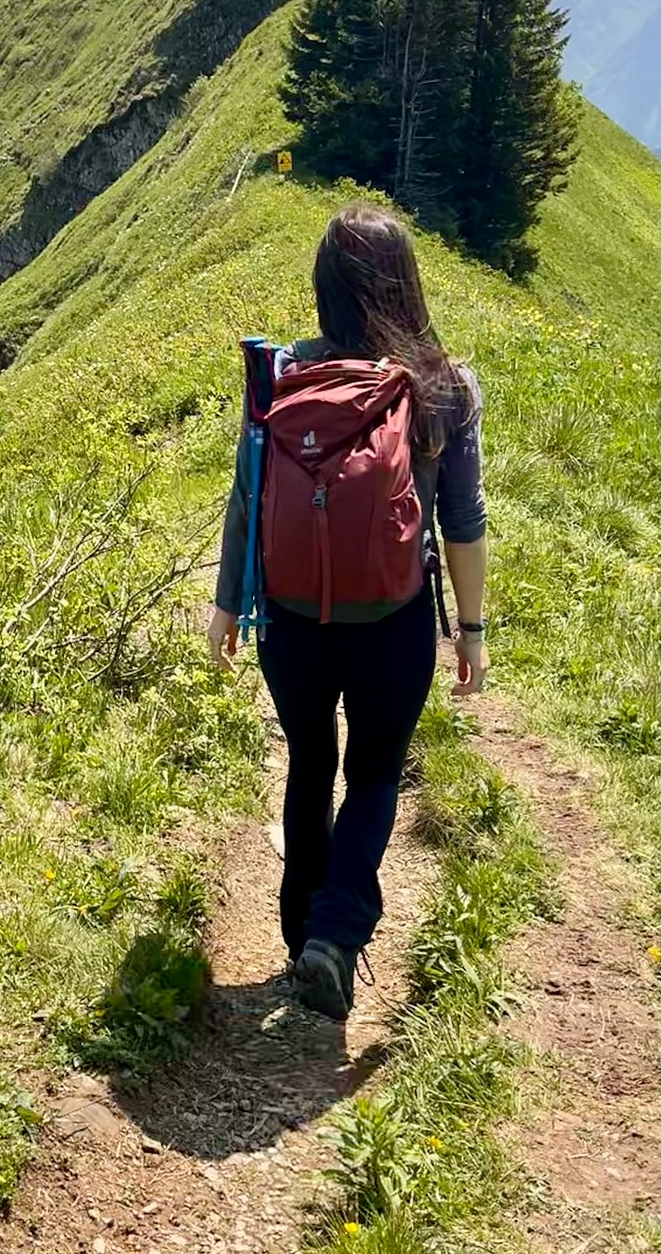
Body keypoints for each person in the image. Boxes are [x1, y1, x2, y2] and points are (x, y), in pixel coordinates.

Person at [207, 204, 488, 1020]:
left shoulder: (284, 372)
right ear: (407, 283)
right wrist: (469, 631)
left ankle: (300, 939)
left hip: (292, 620)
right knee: (371, 777)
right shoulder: (444, 387)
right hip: (393, 625)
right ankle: (334, 938)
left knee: (308, 762)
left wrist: (229, 605)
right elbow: (462, 524)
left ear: (323, 287)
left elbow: (247, 497)